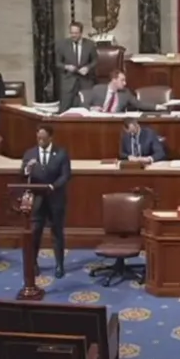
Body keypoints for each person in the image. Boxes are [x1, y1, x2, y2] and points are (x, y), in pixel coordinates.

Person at [21, 126, 72, 278]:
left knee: (57, 233)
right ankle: (33, 263)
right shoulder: (30, 153)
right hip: (37, 199)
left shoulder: (61, 153)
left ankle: (59, 265)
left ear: (50, 138)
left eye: (43, 138)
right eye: (38, 138)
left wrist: (53, 186)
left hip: (55, 199)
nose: (40, 141)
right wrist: (27, 169)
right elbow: (22, 173)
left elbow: (66, 175)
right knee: (35, 233)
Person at [54, 21, 98, 113]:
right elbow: (57, 62)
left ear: (81, 33)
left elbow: (95, 61)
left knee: (86, 109)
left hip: (85, 81)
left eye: (76, 33)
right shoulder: (62, 45)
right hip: (68, 81)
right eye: (71, 33)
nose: (73, 35)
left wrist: (88, 68)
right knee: (64, 110)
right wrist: (66, 67)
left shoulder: (90, 45)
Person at [84, 72, 157, 113]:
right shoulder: (98, 89)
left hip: (116, 122)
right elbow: (83, 104)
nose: (125, 83)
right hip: (99, 120)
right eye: (122, 80)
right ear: (114, 80)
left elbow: (138, 104)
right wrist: (91, 108)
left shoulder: (125, 92)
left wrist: (157, 106)